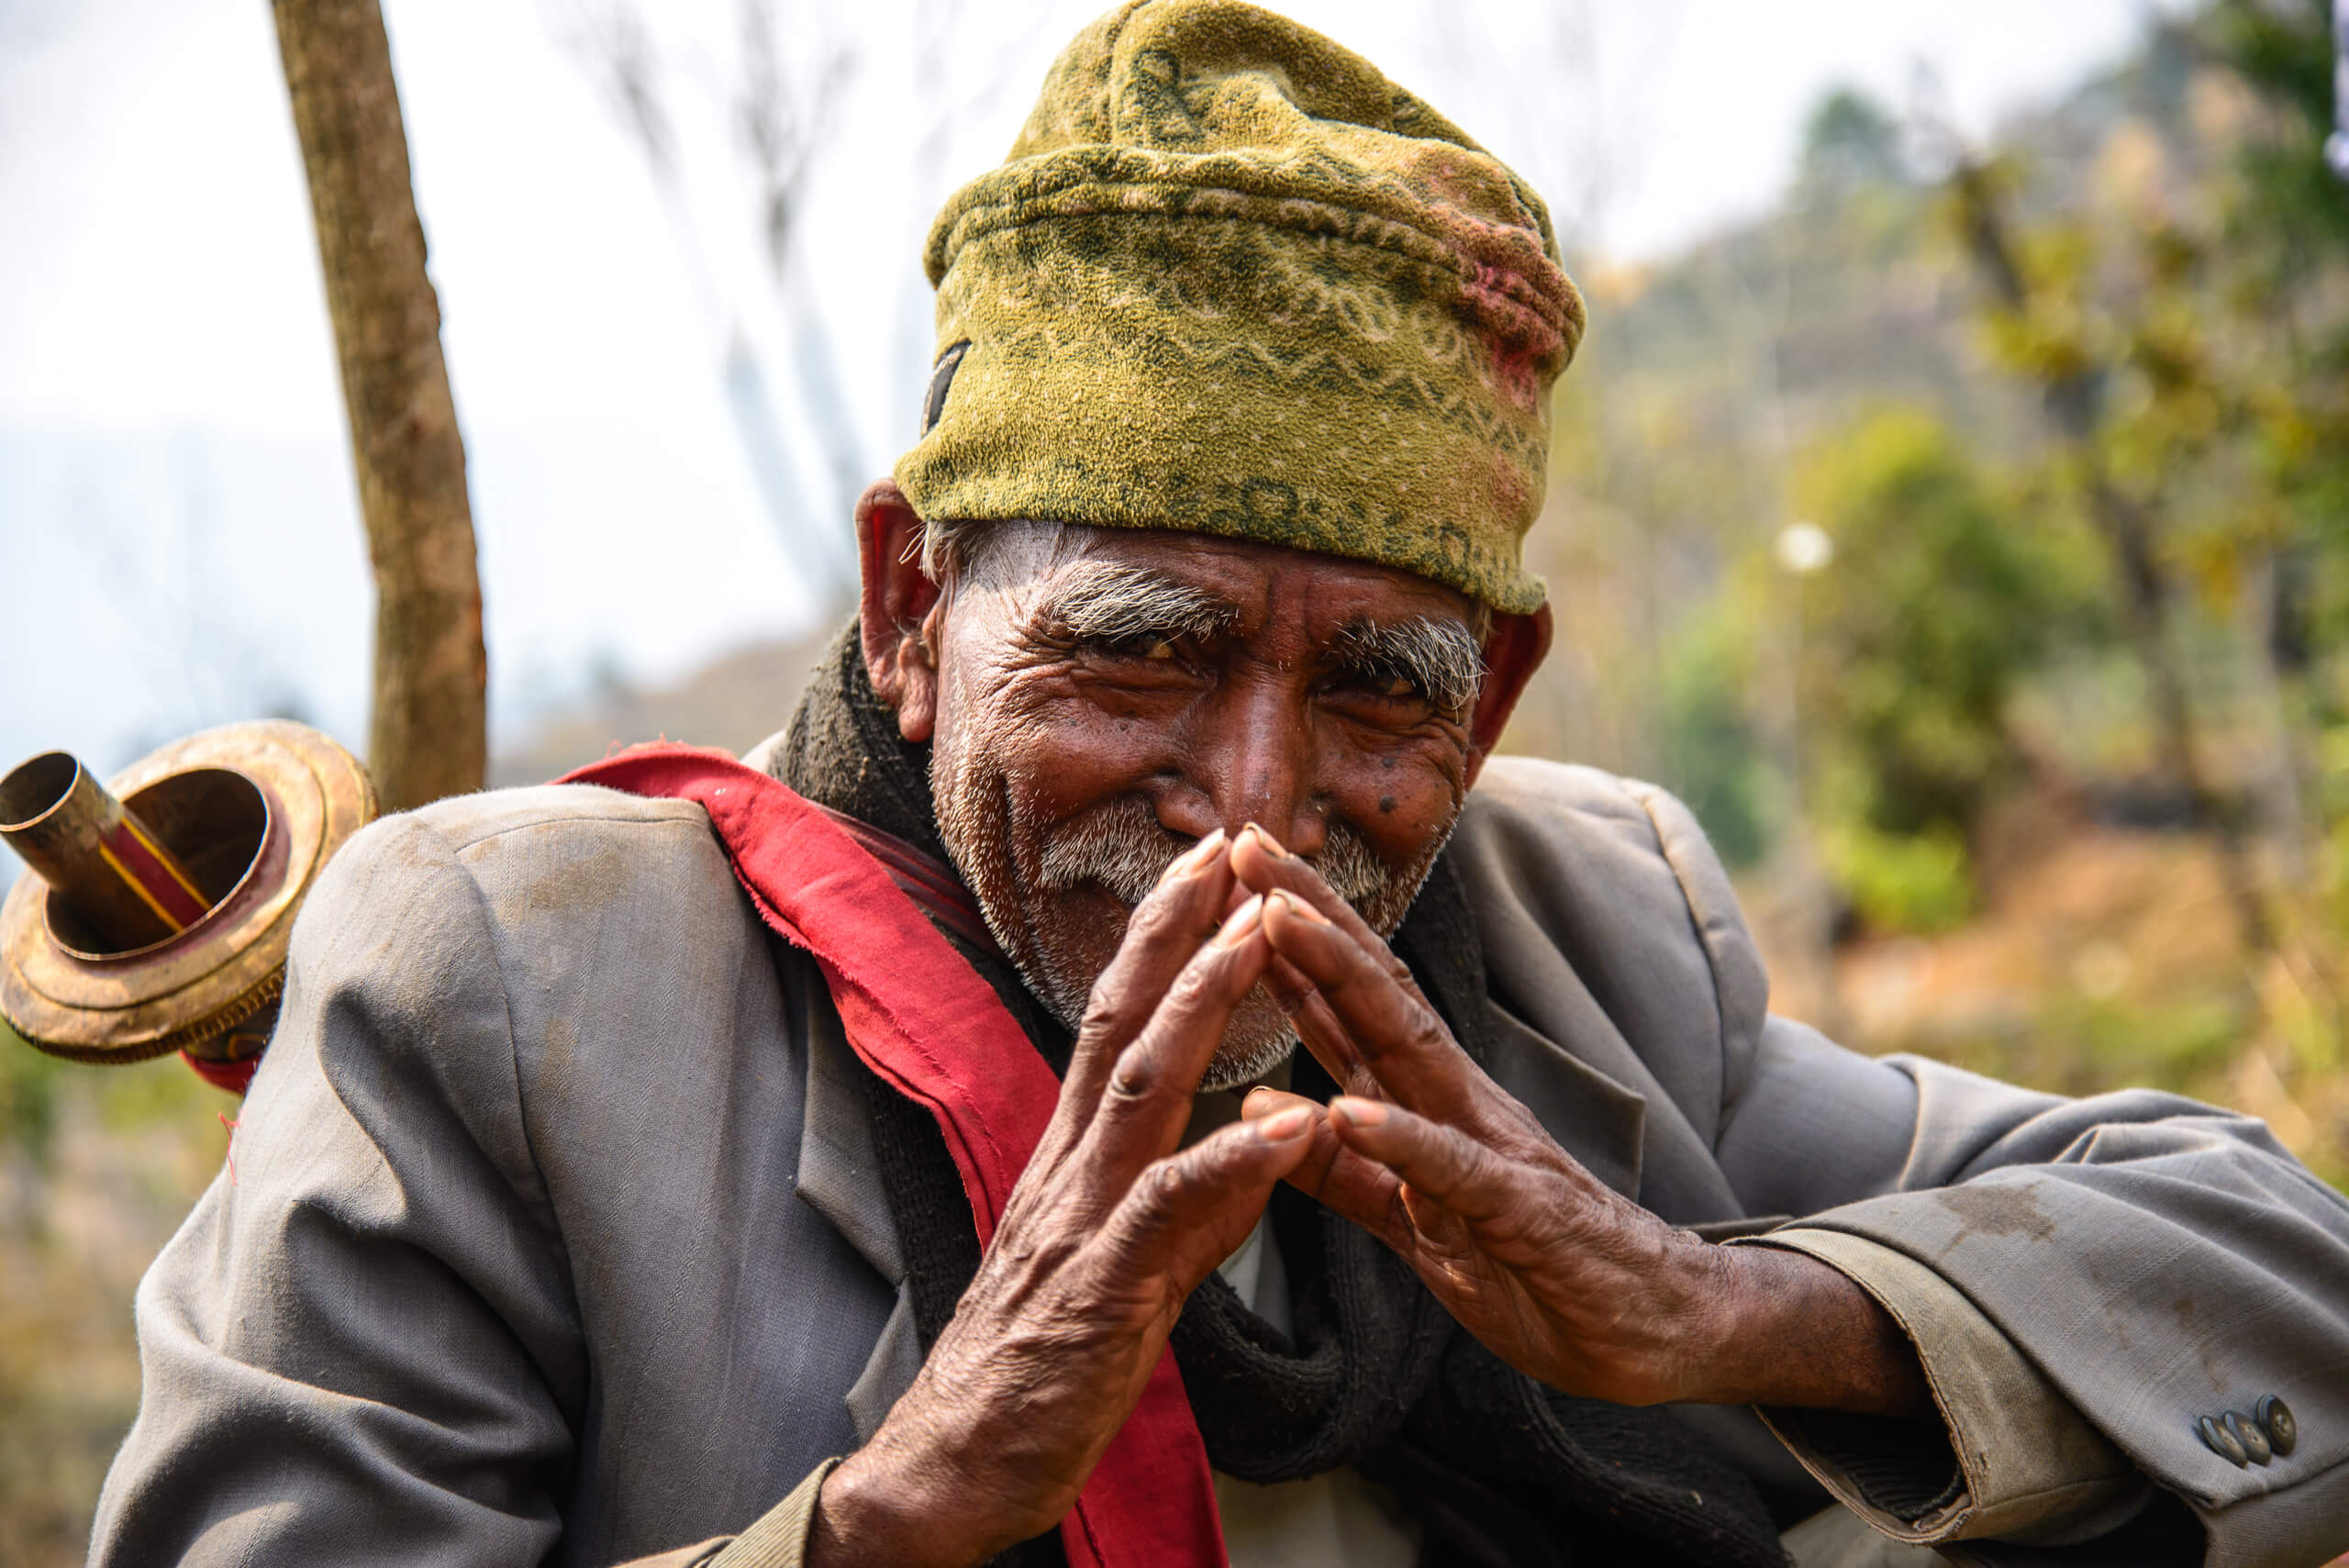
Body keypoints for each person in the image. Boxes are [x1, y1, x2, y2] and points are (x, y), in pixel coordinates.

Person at [90, 4, 2349, 1564]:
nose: (1255, 807)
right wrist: (889, 1517)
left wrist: (1717, 1311)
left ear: (1491, 698)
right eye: (1141, 653)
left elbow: (2279, 1275)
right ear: (911, 603)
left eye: (1377, 692)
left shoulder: (1587, 924)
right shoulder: (515, 986)